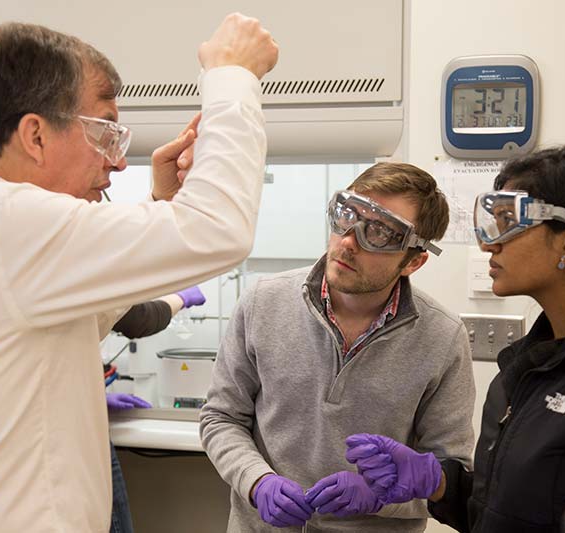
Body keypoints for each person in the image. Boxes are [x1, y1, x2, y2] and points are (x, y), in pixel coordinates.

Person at [0, 14, 278, 532]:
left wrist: (161, 204)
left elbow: (60, 323)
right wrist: (232, 75)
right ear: (35, 136)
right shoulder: (6, 225)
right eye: (105, 132)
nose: (117, 163)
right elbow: (218, 228)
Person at [345, 145, 565, 533]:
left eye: (508, 223)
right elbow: (503, 513)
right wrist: (439, 483)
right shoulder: (527, 365)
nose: (488, 244)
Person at [199, 162, 476, 532]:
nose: (348, 241)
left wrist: (381, 496)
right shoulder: (263, 302)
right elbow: (221, 417)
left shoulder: (442, 337)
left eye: (379, 232)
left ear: (414, 260)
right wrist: (256, 481)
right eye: (348, 215)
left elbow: (448, 476)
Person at [104, 285, 206, 533]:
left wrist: (94, 394)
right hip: (74, 430)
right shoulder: (72, 278)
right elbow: (138, 318)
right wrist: (180, 298)